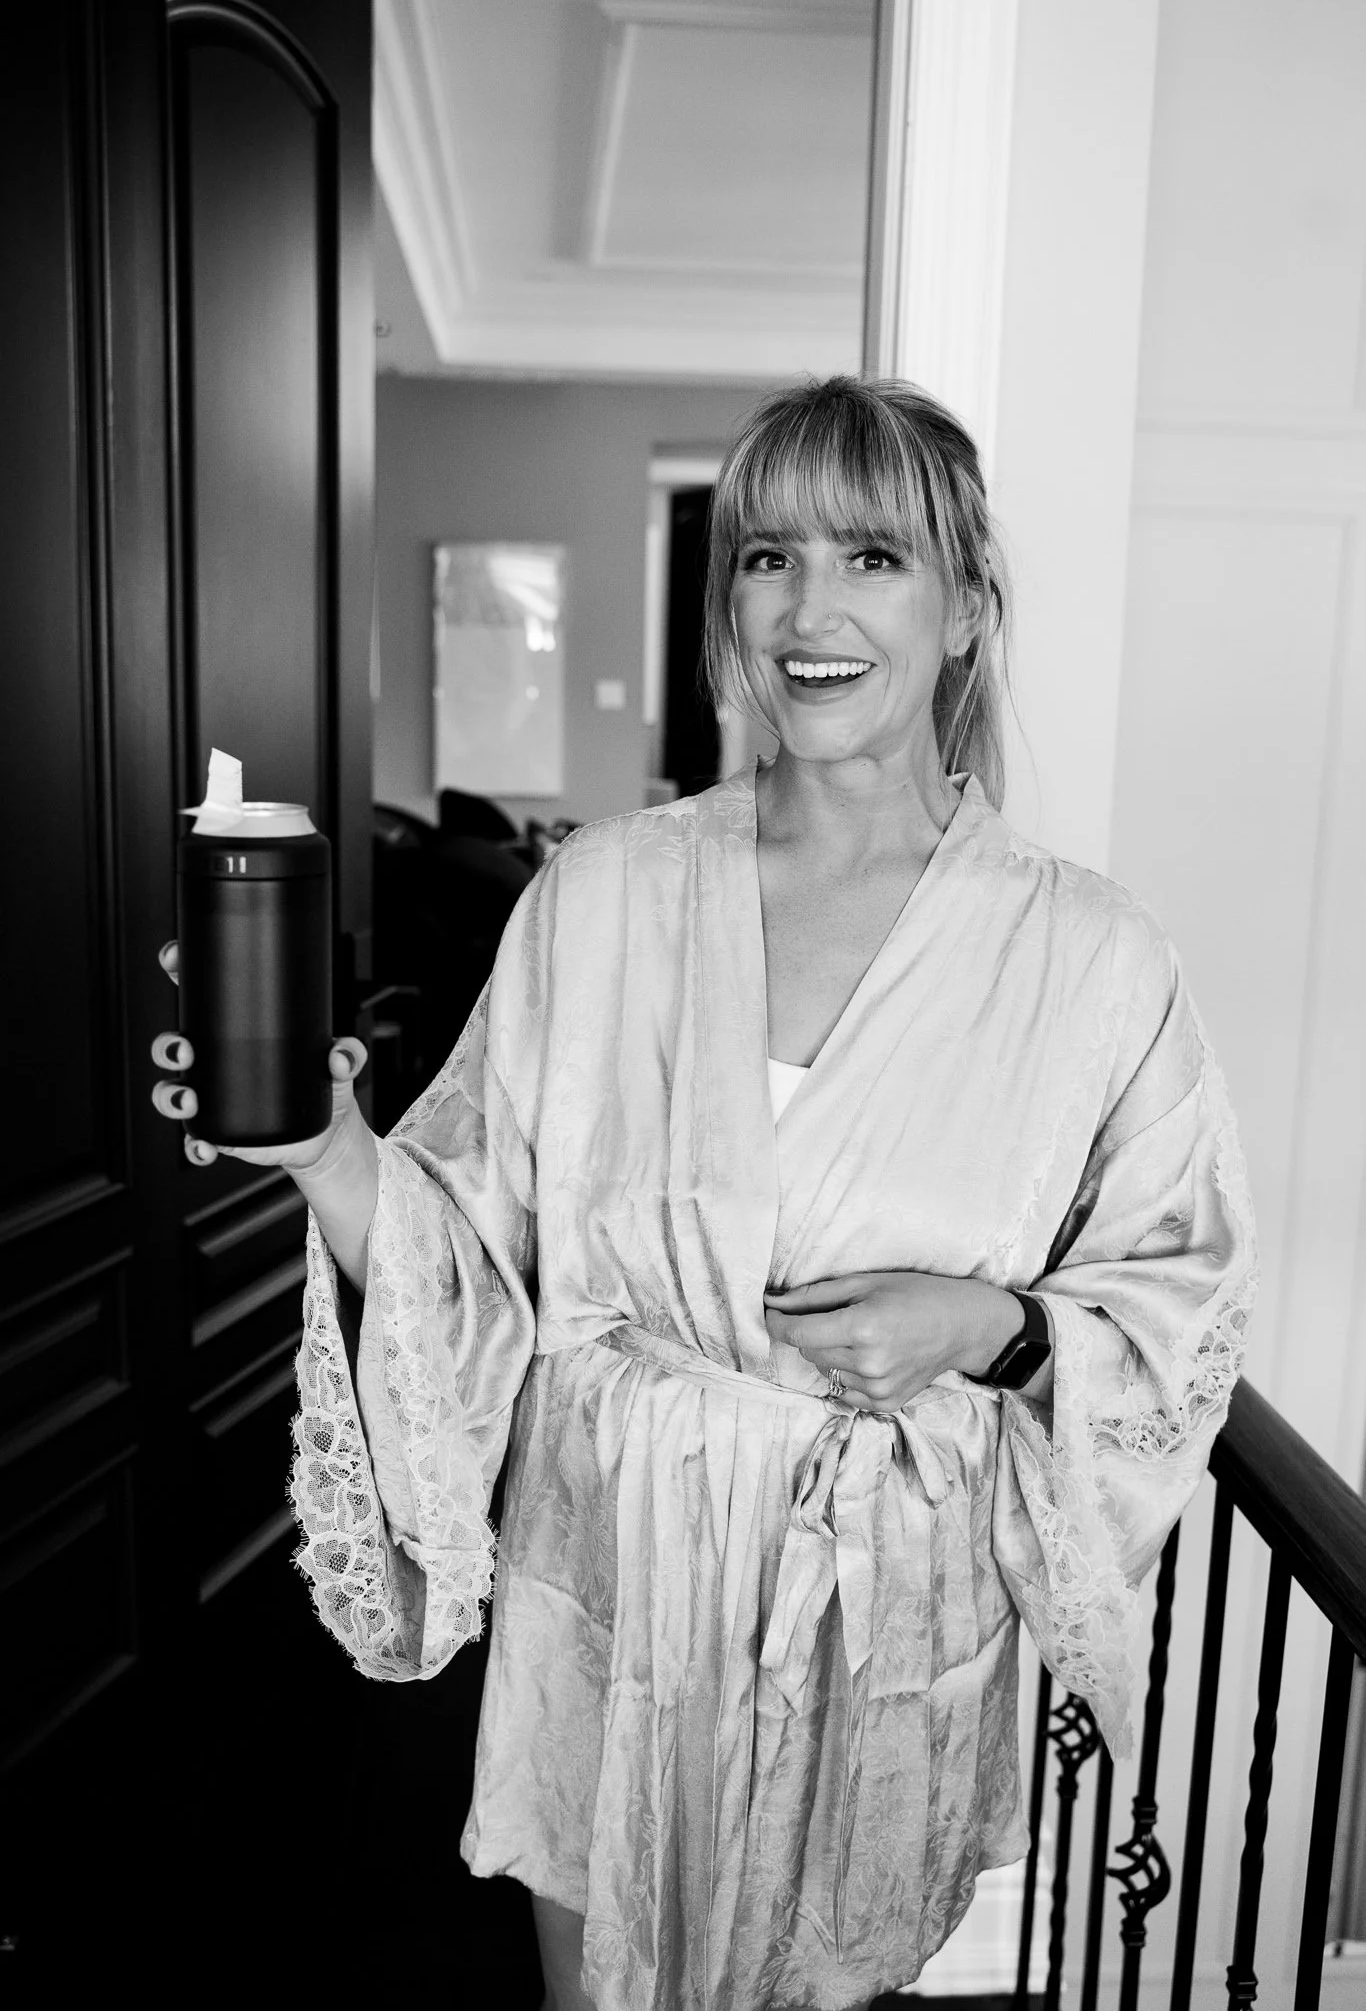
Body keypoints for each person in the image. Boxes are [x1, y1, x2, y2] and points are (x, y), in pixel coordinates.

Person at [151, 377, 1256, 2011]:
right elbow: (471, 1254)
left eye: (871, 558)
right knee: (592, 1984)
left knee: (830, 1979)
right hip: (618, 1564)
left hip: (880, 1595)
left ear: (964, 610)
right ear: (727, 601)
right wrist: (328, 1150)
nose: (810, 612)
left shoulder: (1089, 957)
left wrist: (995, 1326)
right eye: (766, 557)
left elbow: (1182, 1296)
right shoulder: (599, 898)